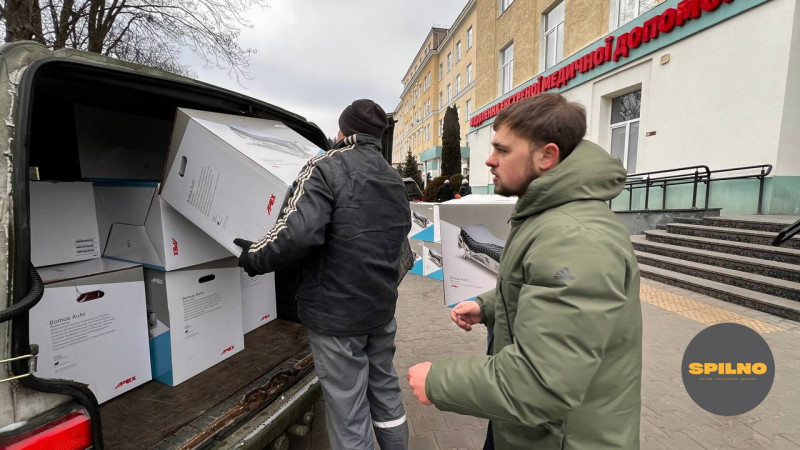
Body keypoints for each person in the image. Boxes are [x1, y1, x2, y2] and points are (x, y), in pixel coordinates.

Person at [407, 93, 642, 449]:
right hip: (531, 429)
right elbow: (541, 289)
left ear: (546, 156)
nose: (489, 160)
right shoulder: (549, 214)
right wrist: (489, 306)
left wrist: (438, 381)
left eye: (502, 150)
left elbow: (542, 381)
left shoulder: (573, 237)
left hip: (561, 436)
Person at [234, 99, 411, 450]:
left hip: (337, 317)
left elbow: (294, 234)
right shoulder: (393, 177)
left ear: (343, 131)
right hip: (380, 310)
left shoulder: (325, 167)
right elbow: (401, 245)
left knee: (348, 411)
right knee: (386, 394)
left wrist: (253, 256)